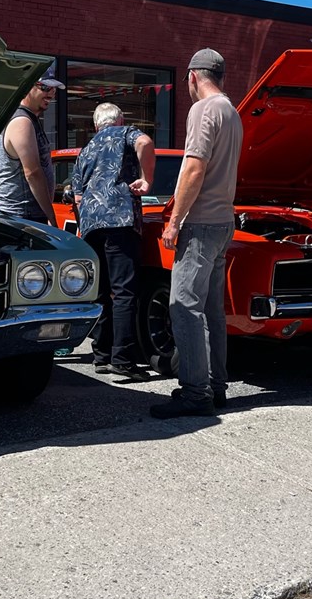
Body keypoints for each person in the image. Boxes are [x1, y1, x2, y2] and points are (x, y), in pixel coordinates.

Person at [149, 48, 243, 418]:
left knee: (183, 306)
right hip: (223, 222)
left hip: (201, 223)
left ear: (192, 76)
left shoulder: (202, 110)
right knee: (211, 310)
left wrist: (174, 222)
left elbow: (193, 169)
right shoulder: (232, 111)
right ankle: (215, 387)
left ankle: (195, 394)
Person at [72, 102, 155, 381]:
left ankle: (101, 356)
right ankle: (123, 360)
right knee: (124, 292)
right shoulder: (126, 134)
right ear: (120, 120)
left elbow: (77, 194)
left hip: (91, 226)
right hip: (120, 221)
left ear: (97, 126)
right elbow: (145, 141)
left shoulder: (86, 149)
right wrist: (146, 179)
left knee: (100, 291)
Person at [0, 64, 63, 225]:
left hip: (26, 215)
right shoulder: (22, 122)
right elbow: (32, 173)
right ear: (27, 87)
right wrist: (51, 216)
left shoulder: (31, 119)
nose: (51, 92)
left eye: (54, 88)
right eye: (45, 87)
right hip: (17, 217)